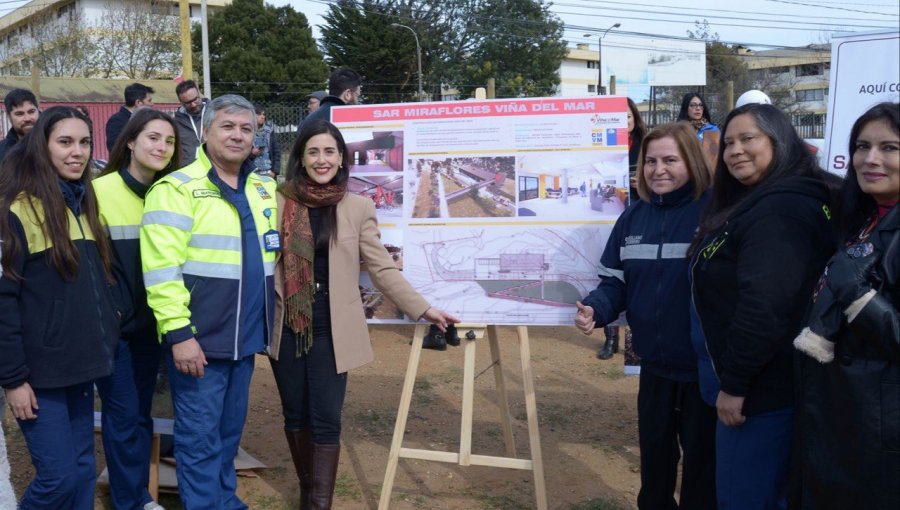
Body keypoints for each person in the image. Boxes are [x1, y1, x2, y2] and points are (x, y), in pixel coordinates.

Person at [269, 119, 458, 508]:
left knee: (325, 415)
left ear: (342, 158)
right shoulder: (278, 201)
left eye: (329, 152)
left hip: (331, 323)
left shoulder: (357, 207)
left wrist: (422, 308)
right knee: (294, 412)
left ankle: (317, 503)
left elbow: (382, 268)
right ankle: (308, 490)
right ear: (301, 159)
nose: (322, 160)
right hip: (286, 319)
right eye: (313, 152)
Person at [689, 103, 835, 510]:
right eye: (729, 142)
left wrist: (735, 386)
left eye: (748, 138)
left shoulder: (780, 209)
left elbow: (765, 306)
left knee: (747, 498)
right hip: (772, 387)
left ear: (780, 140)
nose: (735, 150)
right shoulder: (762, 200)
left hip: (762, 396)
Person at [140, 95, 276, 508]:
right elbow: (161, 272)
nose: (237, 135)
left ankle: (224, 500)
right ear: (206, 131)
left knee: (228, 435)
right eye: (228, 127)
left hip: (246, 340)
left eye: (246, 129)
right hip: (199, 343)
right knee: (198, 440)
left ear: (255, 136)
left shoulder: (262, 188)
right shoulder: (176, 189)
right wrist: (180, 334)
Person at [575, 122, 716, 509]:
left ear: (692, 160)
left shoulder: (716, 212)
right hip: (653, 368)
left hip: (703, 372)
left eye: (671, 159)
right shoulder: (632, 218)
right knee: (655, 469)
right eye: (650, 161)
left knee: (704, 473)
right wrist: (596, 309)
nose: (659, 169)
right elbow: (614, 283)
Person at [0, 106, 121, 508]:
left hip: (81, 367)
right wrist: (14, 380)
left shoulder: (84, 205)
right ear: (42, 147)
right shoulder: (17, 211)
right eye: (65, 142)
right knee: (58, 480)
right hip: (39, 378)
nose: (78, 152)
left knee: (84, 470)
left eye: (85, 142)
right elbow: (3, 304)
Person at [793, 102, 898, 510]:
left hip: (880, 435)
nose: (870, 159)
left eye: (890, 147)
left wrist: (857, 297)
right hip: (842, 418)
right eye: (862, 146)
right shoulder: (860, 218)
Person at [94, 108, 181, 510]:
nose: (161, 147)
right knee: (125, 415)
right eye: (152, 137)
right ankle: (132, 501)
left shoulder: (173, 193)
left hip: (162, 327)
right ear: (129, 141)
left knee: (142, 412)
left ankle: (137, 492)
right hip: (120, 332)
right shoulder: (100, 191)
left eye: (168, 140)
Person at [597, 97, 650, 361]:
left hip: (638, 216)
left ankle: (634, 344)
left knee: (636, 276)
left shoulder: (646, 145)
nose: (624, 122)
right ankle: (610, 339)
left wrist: (639, 182)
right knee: (611, 275)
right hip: (609, 216)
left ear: (634, 119)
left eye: (627, 117)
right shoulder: (602, 146)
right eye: (618, 117)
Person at [298, 68, 362, 133]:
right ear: (347, 94)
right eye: (357, 96)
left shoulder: (306, 122)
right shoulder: (352, 121)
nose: (358, 101)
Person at [105, 82, 155, 152]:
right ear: (138, 103)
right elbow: (115, 148)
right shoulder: (117, 121)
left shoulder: (145, 120)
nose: (152, 104)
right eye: (149, 100)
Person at [678, 92, 720, 168]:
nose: (698, 108)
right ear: (686, 108)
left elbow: (716, 156)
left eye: (700, 105)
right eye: (693, 105)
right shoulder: (679, 130)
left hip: (708, 171)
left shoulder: (713, 129)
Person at [173, 80, 208, 166]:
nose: (193, 105)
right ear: (181, 102)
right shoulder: (176, 123)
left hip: (215, 169)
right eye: (188, 102)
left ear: (199, 94)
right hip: (188, 171)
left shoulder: (215, 113)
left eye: (195, 99)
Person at [0, 88, 39, 161]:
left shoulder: (54, 145)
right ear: (9, 117)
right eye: (19, 114)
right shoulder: (2, 153)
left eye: (31, 112)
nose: (27, 118)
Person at [251, 103, 281, 177]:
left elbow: (276, 152)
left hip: (268, 172)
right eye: (259, 114)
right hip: (252, 173)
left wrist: (274, 171)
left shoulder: (269, 131)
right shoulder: (246, 132)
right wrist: (252, 154)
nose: (262, 117)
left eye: (264, 115)